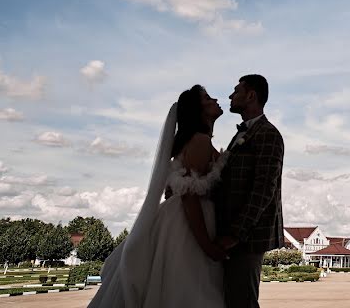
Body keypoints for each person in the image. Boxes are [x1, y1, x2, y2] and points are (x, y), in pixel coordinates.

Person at [87, 85, 227, 308]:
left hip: (177, 220)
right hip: (189, 227)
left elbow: (173, 189)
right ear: (197, 109)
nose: (215, 100)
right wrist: (207, 246)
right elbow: (189, 195)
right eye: (208, 98)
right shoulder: (200, 140)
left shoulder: (192, 141)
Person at [214, 74, 285, 308]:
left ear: (251, 95)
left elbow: (264, 189)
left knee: (242, 301)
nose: (230, 96)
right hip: (235, 234)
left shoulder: (268, 134)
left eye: (236, 91)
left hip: (248, 237)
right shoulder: (242, 134)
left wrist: (235, 234)